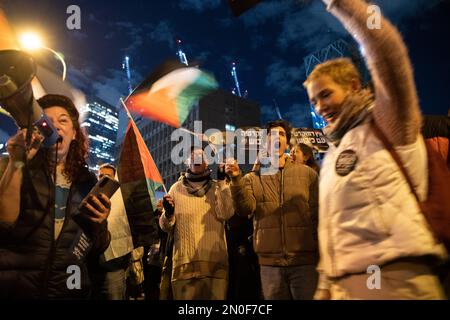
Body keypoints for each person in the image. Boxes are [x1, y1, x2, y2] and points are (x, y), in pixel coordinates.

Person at [305, 0, 447, 299]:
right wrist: (325, 286)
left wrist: (342, 4)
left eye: (326, 94)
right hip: (344, 285)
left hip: (395, 281)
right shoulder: (332, 154)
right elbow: (333, 226)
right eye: (314, 101)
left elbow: (386, 50)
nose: (320, 107)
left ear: (355, 86)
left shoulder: (388, 122)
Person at [0, 94, 111, 299]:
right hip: (15, 287)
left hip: (67, 290)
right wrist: (17, 161)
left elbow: (98, 248)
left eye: (63, 120)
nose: (56, 126)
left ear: (75, 134)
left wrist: (100, 224)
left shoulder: (87, 182)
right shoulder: (10, 166)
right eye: (48, 122)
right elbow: (3, 222)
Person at [226, 119, 319, 300]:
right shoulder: (253, 178)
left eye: (282, 135)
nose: (277, 138)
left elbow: (318, 217)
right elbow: (245, 209)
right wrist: (236, 179)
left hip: (305, 264)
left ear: (287, 142)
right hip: (270, 266)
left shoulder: (308, 174)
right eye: (272, 135)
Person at [159, 146, 234, 300]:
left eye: (201, 156)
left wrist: (222, 182)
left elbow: (227, 213)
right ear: (187, 162)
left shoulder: (217, 187)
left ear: (207, 163)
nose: (197, 158)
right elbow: (166, 226)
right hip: (184, 266)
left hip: (215, 266)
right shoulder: (175, 189)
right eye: (193, 156)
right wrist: (168, 213)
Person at [89, 163, 133, 300]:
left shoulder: (124, 200)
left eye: (107, 177)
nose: (102, 179)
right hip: (92, 267)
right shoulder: (90, 198)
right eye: (100, 176)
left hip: (115, 266)